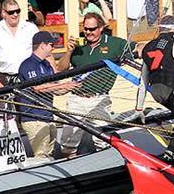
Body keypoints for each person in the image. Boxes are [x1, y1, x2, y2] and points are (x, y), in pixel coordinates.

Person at [57, 12, 134, 156]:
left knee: (103, 140)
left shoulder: (114, 43)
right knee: (68, 143)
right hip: (77, 99)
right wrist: (68, 52)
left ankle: (105, 167)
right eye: (85, 29)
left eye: (92, 29)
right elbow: (61, 69)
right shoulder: (79, 46)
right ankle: (71, 166)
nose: (88, 32)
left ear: (101, 28)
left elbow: (137, 48)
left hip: (100, 99)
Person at [135, 16, 174, 168]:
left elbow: (143, 79)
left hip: (156, 91)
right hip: (172, 85)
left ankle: (171, 151)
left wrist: (139, 108)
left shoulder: (149, 46)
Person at [17, 31, 79, 158]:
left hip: (48, 117)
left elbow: (55, 89)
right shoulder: (28, 64)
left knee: (48, 154)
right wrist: (62, 85)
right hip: (34, 118)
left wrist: (71, 86)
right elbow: (38, 88)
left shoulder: (47, 64)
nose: (53, 47)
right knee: (41, 155)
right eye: (51, 44)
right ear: (42, 45)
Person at [0, 0, 39, 88]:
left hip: (28, 76)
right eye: (11, 12)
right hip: (4, 78)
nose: (15, 15)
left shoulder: (31, 28)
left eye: (17, 11)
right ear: (4, 13)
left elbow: (41, 51)